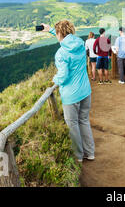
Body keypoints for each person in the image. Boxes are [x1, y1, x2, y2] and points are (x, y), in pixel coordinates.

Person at [41, 21, 95, 163]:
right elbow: (66, 39)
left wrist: (55, 79)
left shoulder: (61, 53)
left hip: (71, 95)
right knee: (84, 121)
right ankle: (90, 153)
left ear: (60, 33)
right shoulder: (80, 44)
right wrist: (51, 30)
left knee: (73, 125)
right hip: (85, 91)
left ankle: (78, 156)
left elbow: (63, 76)